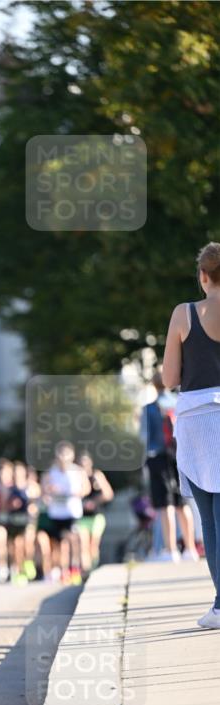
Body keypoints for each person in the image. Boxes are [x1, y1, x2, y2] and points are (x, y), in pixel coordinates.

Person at [162, 241, 220, 628]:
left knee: (210, 518)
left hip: (197, 420)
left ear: (203, 276)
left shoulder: (185, 314)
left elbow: (168, 378)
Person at [140, 370, 198, 561]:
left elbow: (144, 438)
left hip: (157, 457)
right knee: (183, 503)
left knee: (166, 505)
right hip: (180, 456)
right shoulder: (179, 403)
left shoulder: (149, 409)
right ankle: (190, 548)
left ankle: (171, 549)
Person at [39, 441, 90, 585]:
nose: (63, 458)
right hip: (56, 513)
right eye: (61, 454)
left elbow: (86, 488)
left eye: (66, 454)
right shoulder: (50, 472)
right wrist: (49, 491)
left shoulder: (78, 471)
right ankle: (62, 571)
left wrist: (77, 493)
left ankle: (74, 569)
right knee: (59, 545)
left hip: (72, 512)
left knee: (72, 539)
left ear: (72, 456)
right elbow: (43, 490)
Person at [76, 451, 114, 572]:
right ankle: (86, 571)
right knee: (83, 544)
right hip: (81, 517)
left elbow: (108, 494)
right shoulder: (75, 477)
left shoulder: (97, 475)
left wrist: (94, 502)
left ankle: (93, 569)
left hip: (96, 516)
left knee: (93, 545)